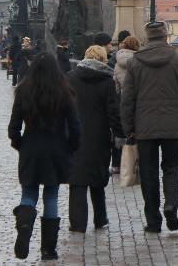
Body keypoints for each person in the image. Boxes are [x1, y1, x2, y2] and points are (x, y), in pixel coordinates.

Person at [120, 21, 178, 233]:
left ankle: (154, 221)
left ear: (147, 38)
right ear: (165, 37)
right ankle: (171, 204)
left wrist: (128, 127)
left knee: (148, 173)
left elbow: (127, 99)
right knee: (172, 167)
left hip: (144, 127)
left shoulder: (135, 62)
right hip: (172, 126)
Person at [8, 53, 80, 260]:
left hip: (31, 148)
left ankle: (24, 228)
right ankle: (48, 249)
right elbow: (75, 127)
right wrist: (71, 147)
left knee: (29, 193)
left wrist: (20, 144)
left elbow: (14, 127)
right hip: (56, 149)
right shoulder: (64, 92)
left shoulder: (23, 91)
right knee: (51, 195)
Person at [66, 45, 122, 232]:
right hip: (99, 136)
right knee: (97, 178)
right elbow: (113, 112)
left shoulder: (70, 78)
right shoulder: (106, 82)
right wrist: (120, 133)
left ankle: (77, 223)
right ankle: (100, 218)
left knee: (77, 179)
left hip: (74, 135)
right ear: (104, 60)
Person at [111, 35, 138, 174]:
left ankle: (117, 164)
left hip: (122, 102)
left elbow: (115, 88)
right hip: (137, 102)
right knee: (136, 133)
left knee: (120, 133)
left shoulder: (117, 63)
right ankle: (135, 164)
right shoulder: (139, 61)